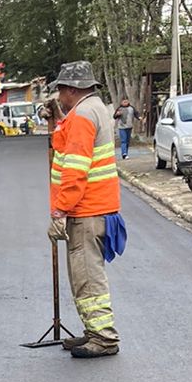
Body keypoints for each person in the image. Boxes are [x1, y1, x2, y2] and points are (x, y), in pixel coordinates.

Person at [48, 61, 123, 358]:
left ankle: (104, 338)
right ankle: (94, 332)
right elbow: (66, 146)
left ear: (69, 89)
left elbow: (75, 169)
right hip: (97, 208)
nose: (59, 96)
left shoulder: (81, 116)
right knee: (86, 275)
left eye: (60, 91)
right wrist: (57, 118)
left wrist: (59, 211)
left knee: (87, 278)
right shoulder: (95, 109)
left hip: (86, 210)